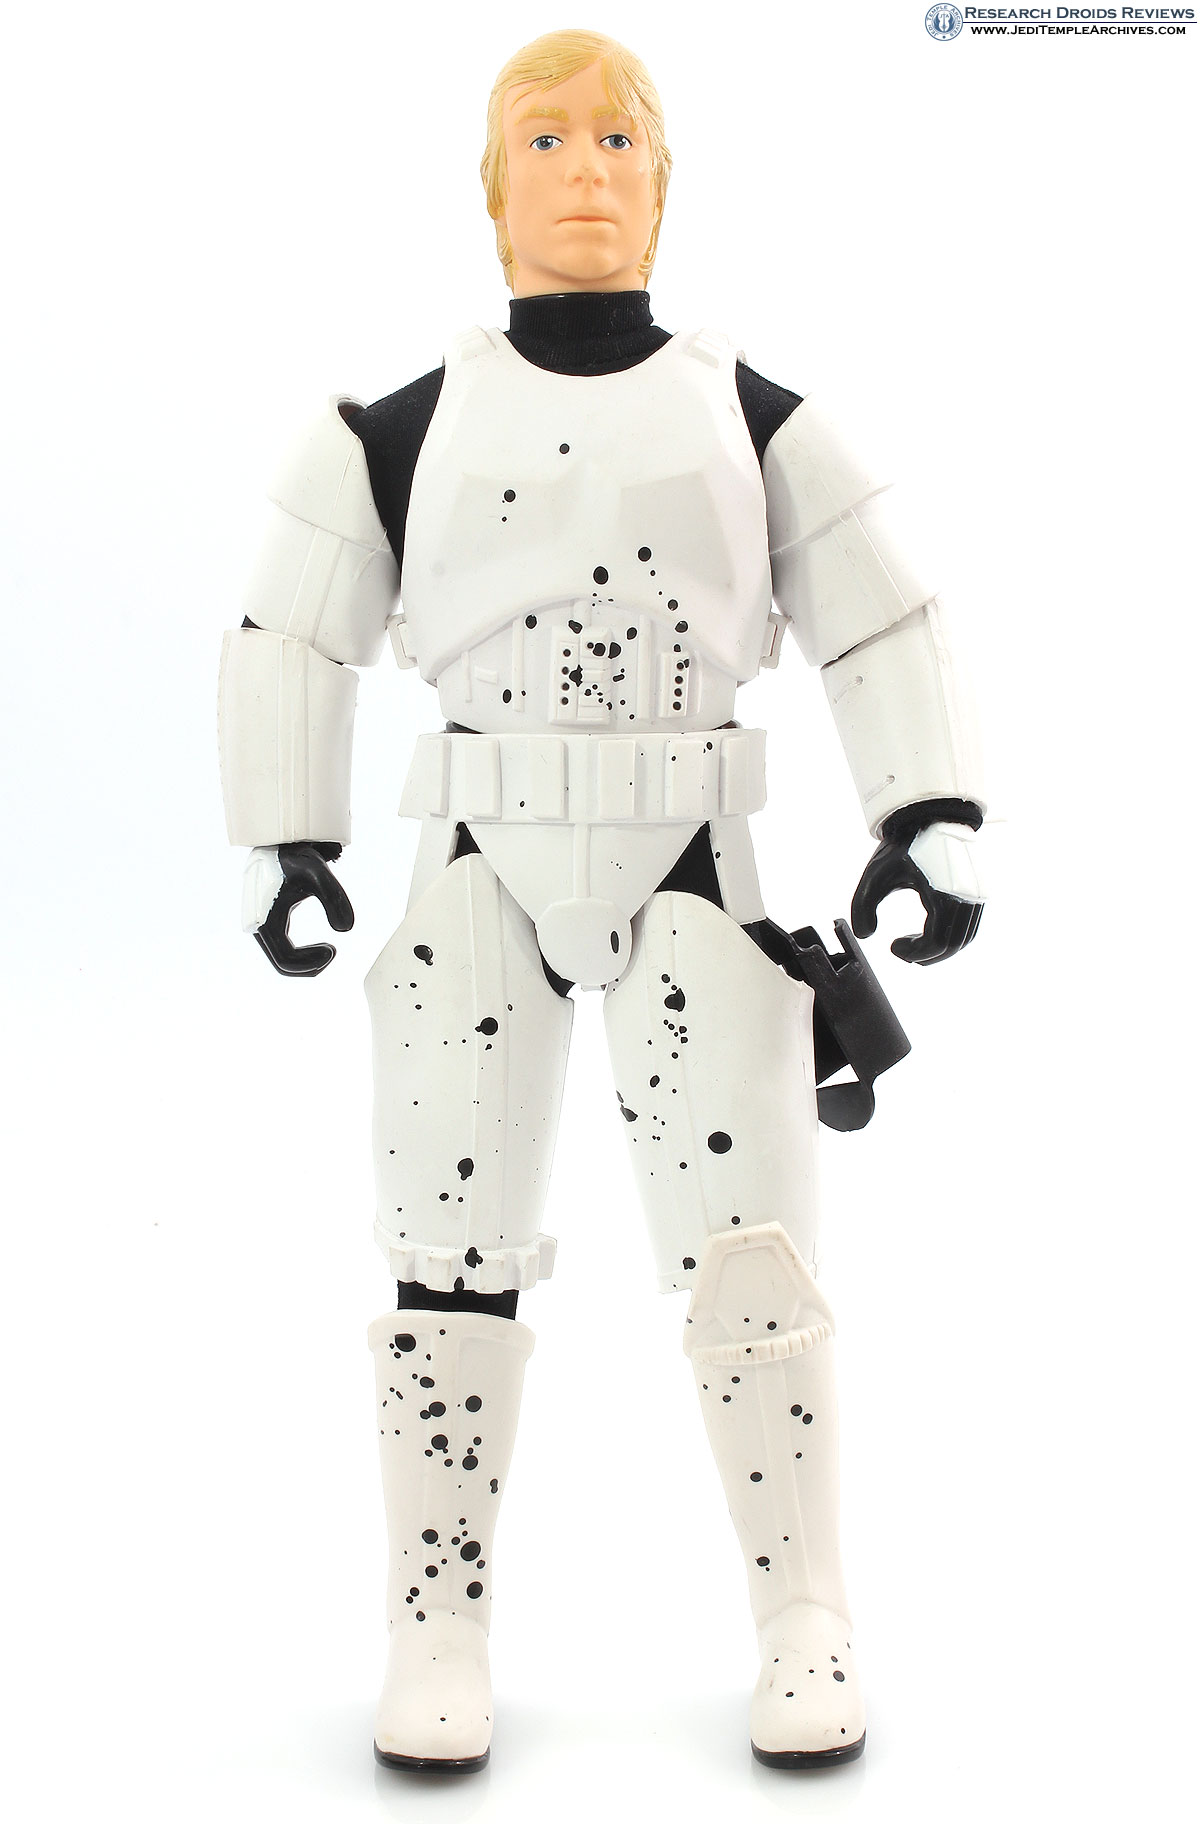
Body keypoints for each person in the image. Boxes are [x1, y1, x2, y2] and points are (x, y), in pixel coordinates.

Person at [218, 27, 985, 1775]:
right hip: (473, 867)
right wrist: (288, 836)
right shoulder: (402, 430)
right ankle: (436, 1625)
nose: (585, 168)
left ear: (666, 182)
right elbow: (292, 632)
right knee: (447, 1256)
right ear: (493, 192)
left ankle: (805, 1615)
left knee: (752, 1258)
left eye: (620, 138)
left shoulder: (752, 417)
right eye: (546, 139)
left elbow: (880, 612)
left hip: (696, 869)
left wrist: (927, 808)